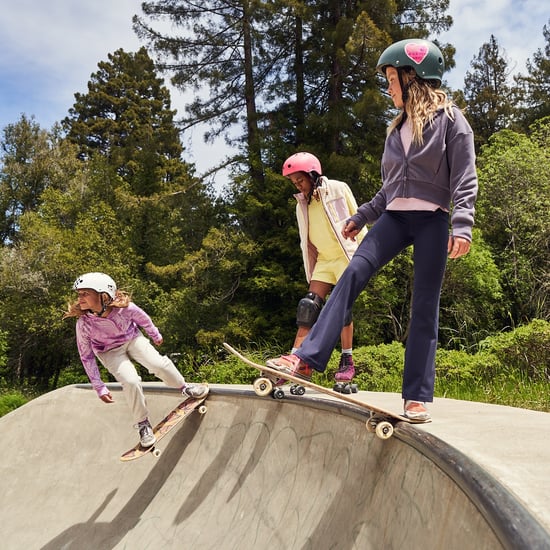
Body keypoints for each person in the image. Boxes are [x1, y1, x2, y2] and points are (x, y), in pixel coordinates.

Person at [268, 39, 478, 422]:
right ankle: (306, 359)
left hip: (433, 220)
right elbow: (390, 188)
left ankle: (416, 396)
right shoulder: (395, 130)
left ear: (412, 76)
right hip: (393, 220)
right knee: (352, 274)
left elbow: (465, 177)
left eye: (392, 78)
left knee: (424, 307)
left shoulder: (452, 121)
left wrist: (462, 225)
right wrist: (362, 215)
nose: (389, 87)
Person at [64, 272, 209, 447]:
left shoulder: (126, 309)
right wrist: (99, 386)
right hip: (109, 352)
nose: (80, 298)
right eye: (78, 294)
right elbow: (86, 356)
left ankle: (184, 387)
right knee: (130, 381)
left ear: (103, 295)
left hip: (132, 339)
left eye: (85, 294)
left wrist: (154, 334)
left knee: (158, 364)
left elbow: (143, 319)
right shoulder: (84, 324)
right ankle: (143, 424)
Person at [281, 152, 365, 391]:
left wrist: (363, 256)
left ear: (313, 174)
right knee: (307, 307)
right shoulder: (302, 204)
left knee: (342, 309)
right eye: (294, 183)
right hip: (325, 261)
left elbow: (359, 217)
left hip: (345, 256)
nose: (298, 186)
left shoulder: (338, 189)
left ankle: (347, 361)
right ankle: (298, 361)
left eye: (300, 180)